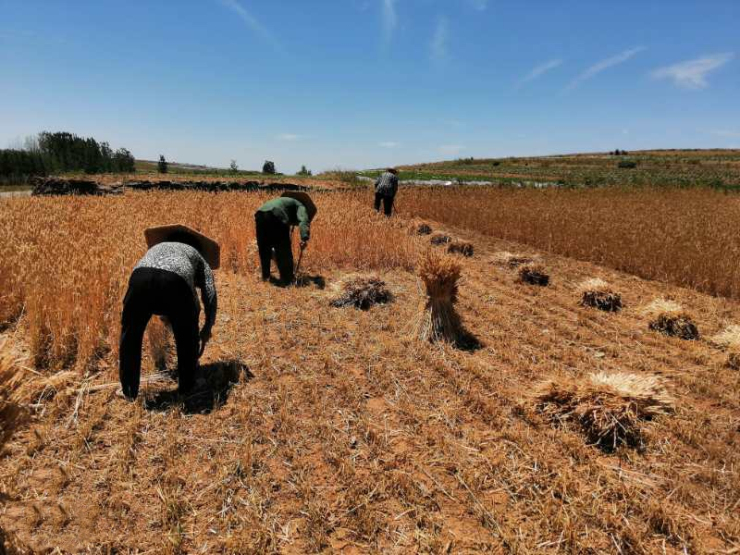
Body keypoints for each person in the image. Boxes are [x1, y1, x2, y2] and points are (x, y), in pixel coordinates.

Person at [119, 224, 219, 400]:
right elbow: (210, 293)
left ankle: (128, 390)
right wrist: (206, 328)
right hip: (175, 281)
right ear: (197, 246)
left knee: (130, 335)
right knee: (187, 335)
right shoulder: (197, 255)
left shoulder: (157, 247)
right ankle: (188, 385)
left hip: (139, 278)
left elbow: (155, 279)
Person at [255, 192, 317, 285]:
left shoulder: (285, 202)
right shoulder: (300, 205)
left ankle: (266, 277)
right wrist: (304, 237)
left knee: (264, 248)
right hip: (277, 215)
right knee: (283, 250)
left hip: (260, 213)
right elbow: (303, 220)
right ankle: (288, 280)